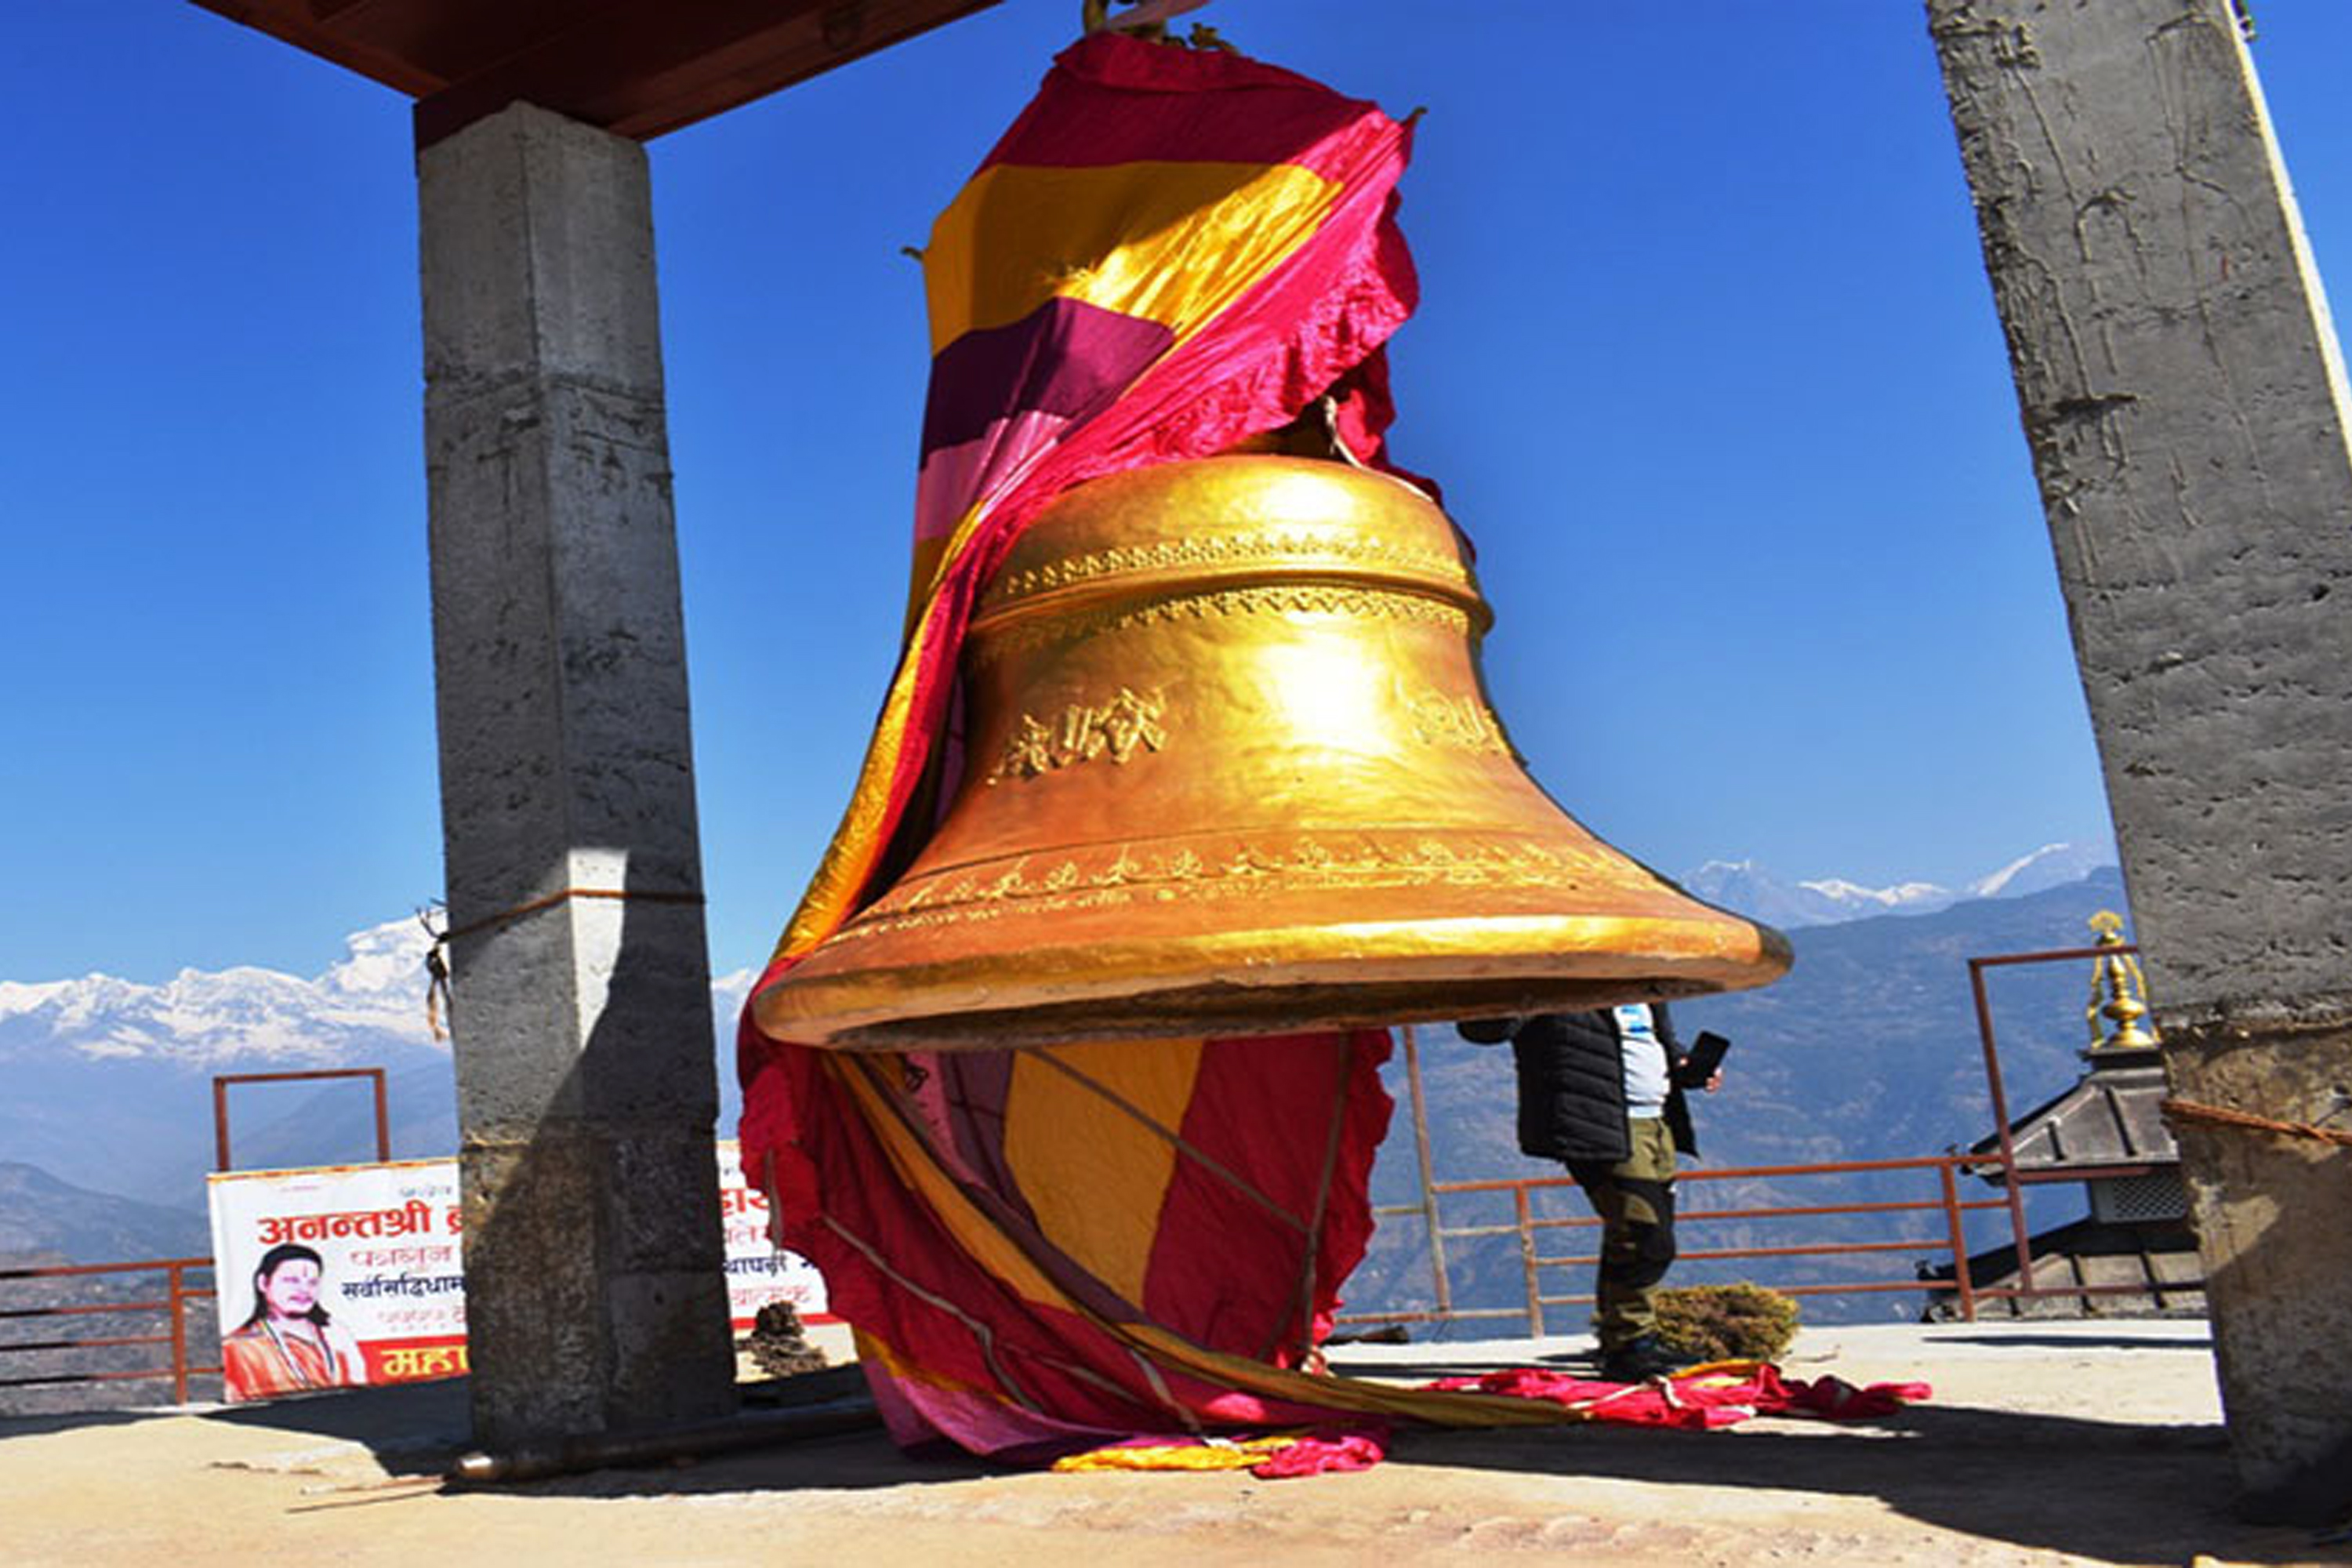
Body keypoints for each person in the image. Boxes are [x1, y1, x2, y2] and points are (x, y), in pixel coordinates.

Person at [1459, 1003, 1725, 1383]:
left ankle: (1628, 1340)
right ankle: (1629, 1345)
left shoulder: (1639, 983)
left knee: (1641, 1236)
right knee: (1644, 1234)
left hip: (1658, 1121)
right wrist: (1532, 978)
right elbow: (1483, 1029)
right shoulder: (1564, 980)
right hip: (1598, 1125)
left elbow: (1652, 1040)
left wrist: (1684, 1064)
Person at [219, 1241, 368, 1399]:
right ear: (263, 1283)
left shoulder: (336, 1335)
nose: (304, 1290)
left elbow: (359, 1385)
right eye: (291, 1281)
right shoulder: (239, 1347)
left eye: (313, 1282)